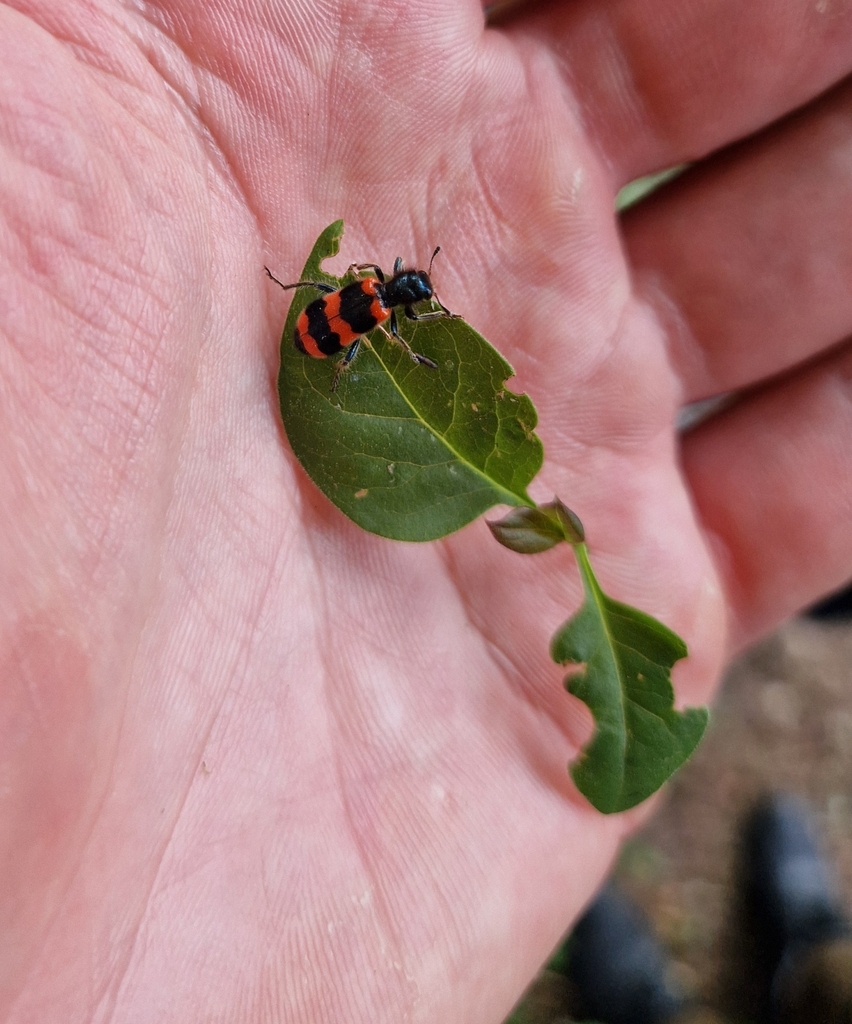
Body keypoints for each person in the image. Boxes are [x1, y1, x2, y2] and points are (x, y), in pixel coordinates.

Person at [2, 1, 851, 1022]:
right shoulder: (375, 306)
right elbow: (354, 312)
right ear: (395, 291)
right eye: (403, 289)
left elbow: (361, 308)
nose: (399, 292)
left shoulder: (375, 303)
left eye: (398, 292)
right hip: (321, 350)